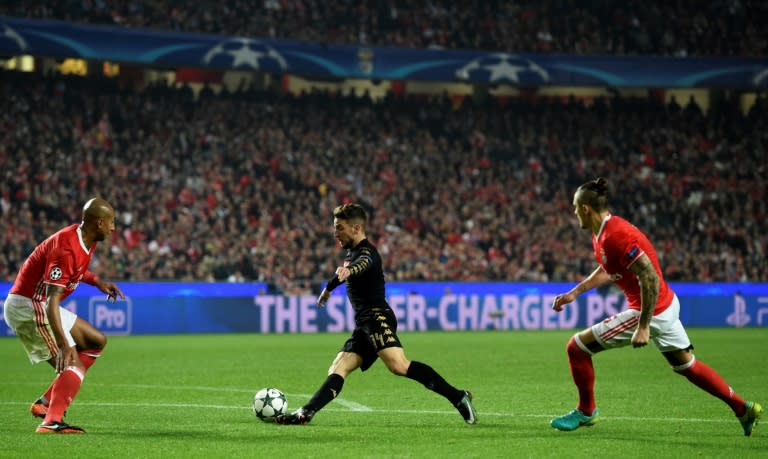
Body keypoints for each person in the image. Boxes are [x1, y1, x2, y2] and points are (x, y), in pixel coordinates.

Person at [549, 177, 762, 435]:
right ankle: (743, 408)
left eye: (574, 207)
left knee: (577, 348)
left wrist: (643, 326)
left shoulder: (616, 236)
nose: (573, 212)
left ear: (585, 208)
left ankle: (586, 411)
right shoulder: (603, 233)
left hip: (651, 310)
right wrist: (575, 293)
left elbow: (648, 276)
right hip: (667, 303)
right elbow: (609, 269)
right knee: (687, 366)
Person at [276, 203, 477, 425]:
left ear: (356, 228)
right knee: (338, 367)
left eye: (340, 228)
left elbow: (361, 265)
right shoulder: (352, 253)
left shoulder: (367, 252)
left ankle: (458, 397)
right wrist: (328, 289)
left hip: (377, 317)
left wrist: (348, 272)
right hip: (364, 323)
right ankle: (305, 413)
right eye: (335, 227)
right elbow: (344, 272)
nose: (335, 233)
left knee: (399, 365)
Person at [3, 198, 125, 434]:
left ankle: (46, 403)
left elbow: (77, 269)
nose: (113, 228)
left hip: (40, 303)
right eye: (111, 222)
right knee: (72, 362)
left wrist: (97, 281)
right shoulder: (66, 248)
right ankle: (51, 422)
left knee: (95, 341)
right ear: (99, 222)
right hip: (29, 306)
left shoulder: (84, 239)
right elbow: (51, 301)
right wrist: (63, 343)